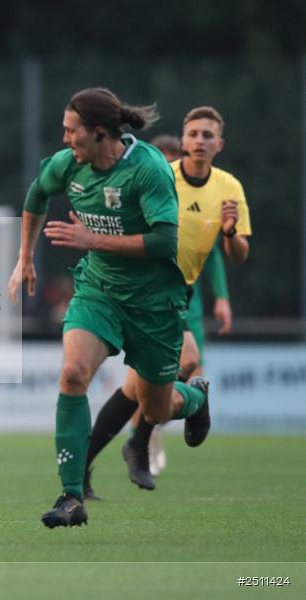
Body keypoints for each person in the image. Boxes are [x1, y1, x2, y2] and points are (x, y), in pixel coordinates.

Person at [8, 87, 210, 528]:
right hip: (98, 290)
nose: (64, 140)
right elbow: (36, 195)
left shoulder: (148, 169)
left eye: (71, 131)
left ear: (99, 133)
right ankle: (70, 497)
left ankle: (195, 399)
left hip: (154, 304)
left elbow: (163, 242)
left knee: (156, 410)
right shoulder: (69, 166)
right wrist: (24, 258)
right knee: (73, 373)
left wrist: (91, 240)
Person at [84, 107, 250, 496]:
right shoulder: (162, 177)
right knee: (185, 363)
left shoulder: (229, 189)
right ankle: (140, 442)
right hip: (144, 288)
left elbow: (237, 253)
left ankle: (96, 461)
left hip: (176, 294)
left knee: (136, 388)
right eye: (193, 133)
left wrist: (230, 233)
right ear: (184, 138)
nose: (199, 140)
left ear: (219, 145)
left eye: (208, 135)